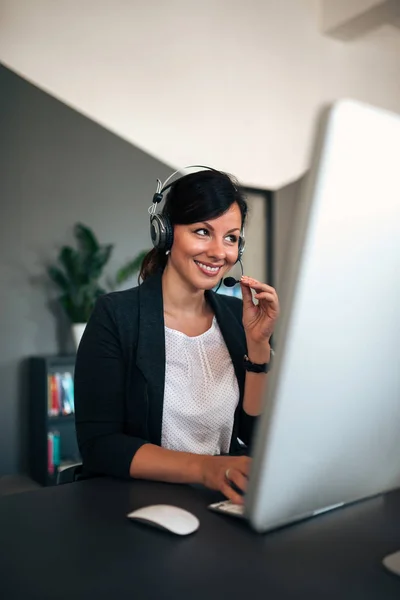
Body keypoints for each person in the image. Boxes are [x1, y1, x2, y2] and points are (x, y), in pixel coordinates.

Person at [74, 168, 280, 505]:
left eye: (231, 237)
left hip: (219, 502)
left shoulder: (234, 318)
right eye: (202, 231)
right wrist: (207, 469)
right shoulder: (116, 315)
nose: (219, 251)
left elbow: (252, 434)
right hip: (134, 505)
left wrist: (258, 347)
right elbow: (100, 444)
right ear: (165, 234)